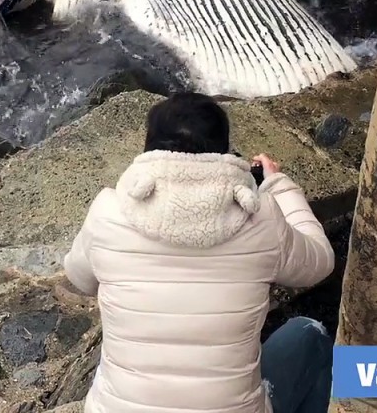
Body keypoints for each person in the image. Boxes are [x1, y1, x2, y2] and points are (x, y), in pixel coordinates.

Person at [62, 92, 336, 413]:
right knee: (309, 334)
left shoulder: (109, 211)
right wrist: (278, 186)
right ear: (223, 151)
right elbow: (321, 261)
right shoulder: (260, 218)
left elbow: (79, 277)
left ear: (148, 148)